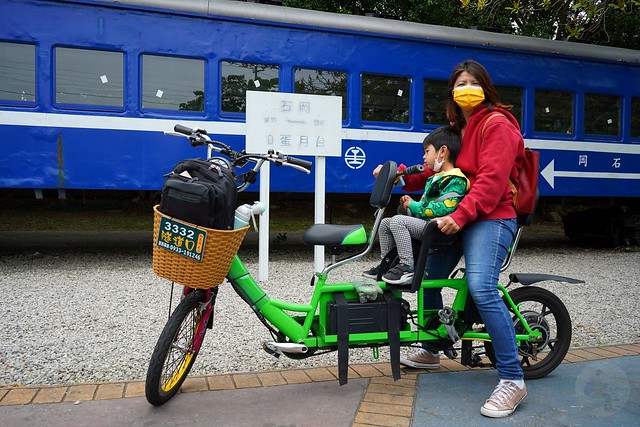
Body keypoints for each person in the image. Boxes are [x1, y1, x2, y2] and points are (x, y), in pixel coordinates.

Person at [386, 60, 527, 418]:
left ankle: (512, 379)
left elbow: (492, 182)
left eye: (472, 82)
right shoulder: (458, 129)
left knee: (481, 286)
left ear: (485, 87)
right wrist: (399, 176)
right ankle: (433, 349)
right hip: (459, 217)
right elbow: (440, 171)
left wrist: (459, 215)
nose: (466, 87)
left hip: (492, 216)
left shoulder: (498, 125)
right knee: (426, 277)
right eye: (459, 83)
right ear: (452, 91)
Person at [364, 125, 468, 285]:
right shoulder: (435, 177)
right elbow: (426, 205)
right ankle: (387, 263)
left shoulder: (456, 179)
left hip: (439, 228)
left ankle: (407, 267)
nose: (424, 157)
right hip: (427, 224)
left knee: (398, 221)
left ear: (443, 152)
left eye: (427, 151)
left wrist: (414, 206)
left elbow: (445, 208)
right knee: (385, 223)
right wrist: (410, 205)